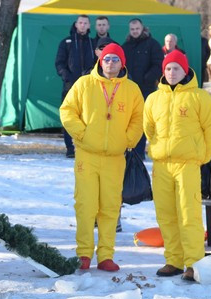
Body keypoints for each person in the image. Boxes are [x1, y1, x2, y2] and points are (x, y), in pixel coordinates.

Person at [59, 43, 144, 272]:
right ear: (100, 61)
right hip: (87, 156)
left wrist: (128, 140)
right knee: (86, 206)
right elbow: (67, 111)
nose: (110, 63)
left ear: (122, 63)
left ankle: (106, 255)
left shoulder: (132, 89)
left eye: (115, 59)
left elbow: (139, 118)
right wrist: (82, 134)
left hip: (115, 158)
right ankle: (84, 253)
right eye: (107, 59)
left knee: (110, 207)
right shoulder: (84, 84)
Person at [144, 50, 211, 281]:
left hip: (187, 164)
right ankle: (174, 260)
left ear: (185, 70)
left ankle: (193, 263)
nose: (171, 73)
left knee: (189, 214)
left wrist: (203, 156)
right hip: (161, 166)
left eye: (176, 68)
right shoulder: (154, 98)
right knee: (166, 215)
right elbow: (148, 127)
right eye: (168, 68)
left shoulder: (199, 97)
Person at [121, 18, 163, 160]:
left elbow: (158, 65)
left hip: (146, 89)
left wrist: (148, 78)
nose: (135, 32)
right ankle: (128, 150)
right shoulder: (125, 46)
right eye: (132, 29)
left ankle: (138, 152)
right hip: (128, 89)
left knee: (142, 120)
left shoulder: (152, 44)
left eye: (137, 29)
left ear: (142, 28)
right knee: (127, 119)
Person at [55, 14, 95, 158]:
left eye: (85, 23)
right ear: (76, 24)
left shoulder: (92, 43)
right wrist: (67, 77)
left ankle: (85, 146)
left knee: (88, 117)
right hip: (70, 87)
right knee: (69, 116)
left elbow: (97, 63)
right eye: (80, 23)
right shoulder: (66, 42)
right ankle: (70, 148)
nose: (83, 25)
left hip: (89, 87)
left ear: (89, 26)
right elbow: (59, 63)